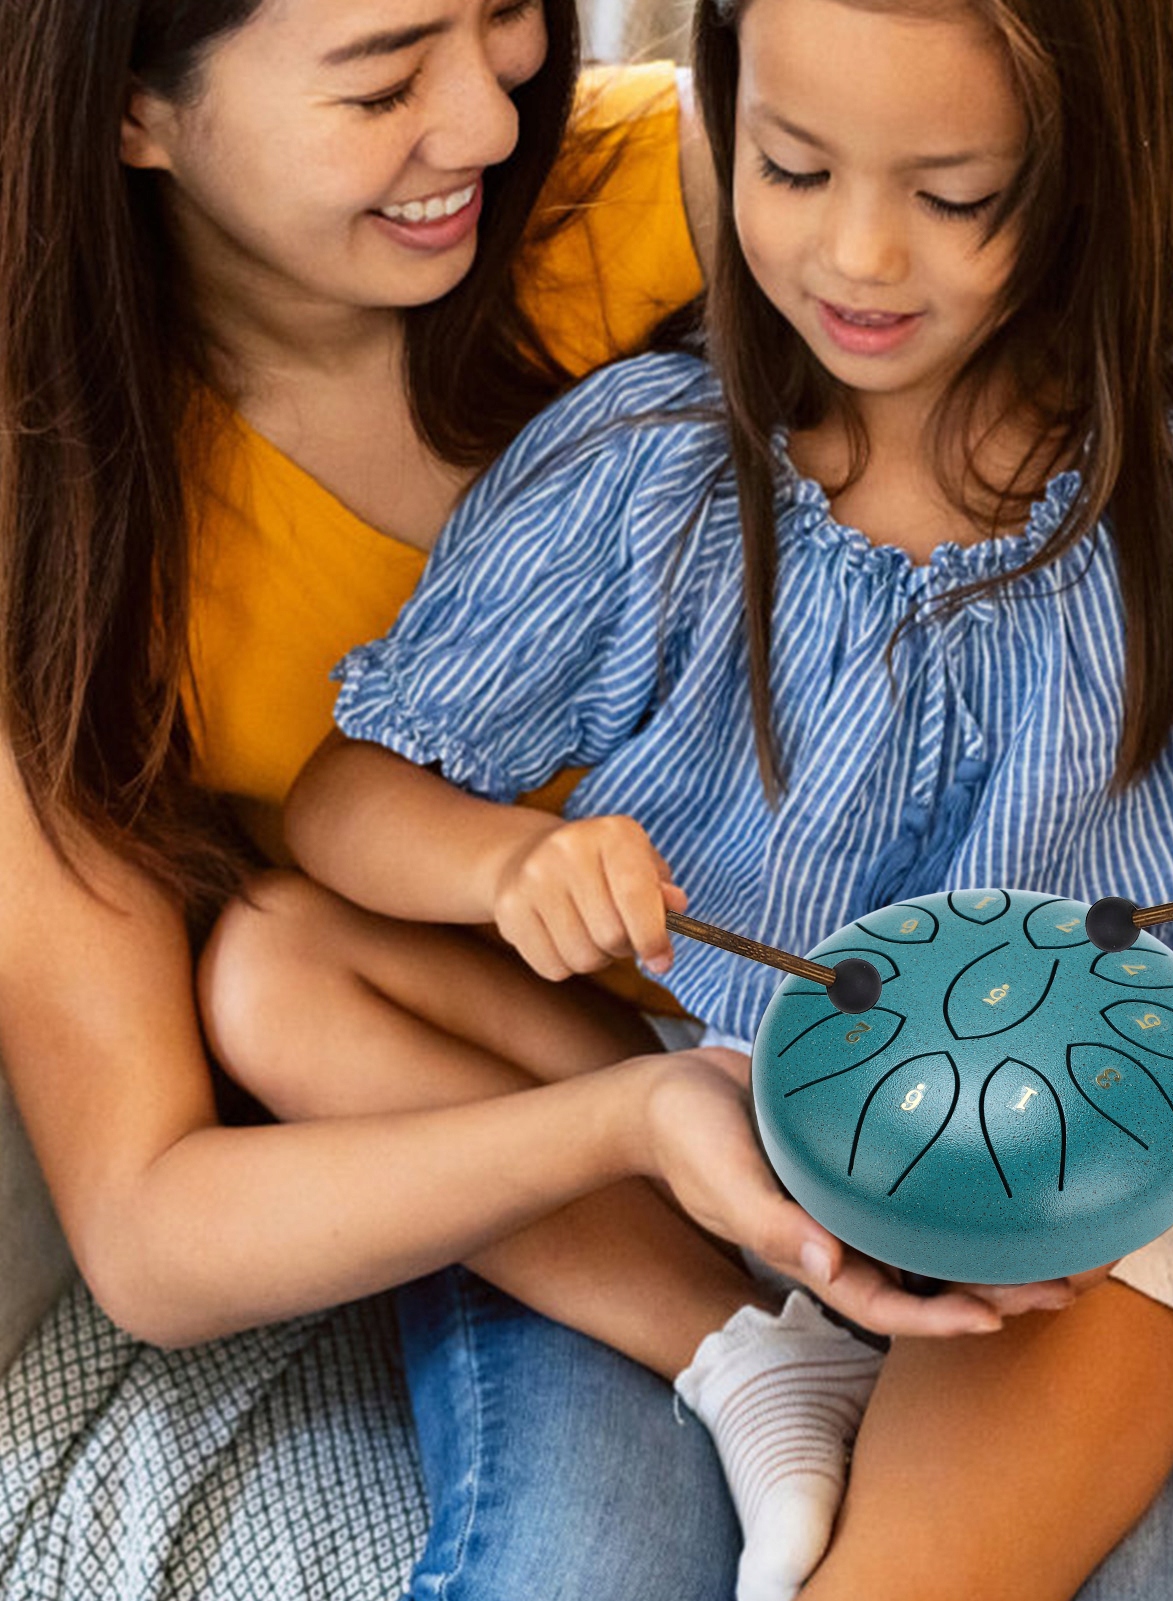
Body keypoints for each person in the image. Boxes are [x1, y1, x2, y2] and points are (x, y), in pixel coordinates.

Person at [199, 0, 1173, 1598]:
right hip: (725, 1104)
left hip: (1096, 1154)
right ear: (724, 120)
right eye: (790, 168)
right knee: (275, 953)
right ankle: (754, 1351)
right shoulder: (642, 464)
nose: (857, 257)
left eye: (953, 196)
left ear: (1086, 174)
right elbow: (348, 797)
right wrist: (509, 862)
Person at [0, 4, 1038, 1600]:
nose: (492, 122)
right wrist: (628, 1123)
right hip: (540, 1124)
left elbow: (1140, 516)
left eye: (504, 18)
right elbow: (145, 1223)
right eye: (382, 80)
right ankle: (760, 1349)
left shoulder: (704, 187)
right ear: (131, 111)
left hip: (950, 1039)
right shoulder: (66, 519)